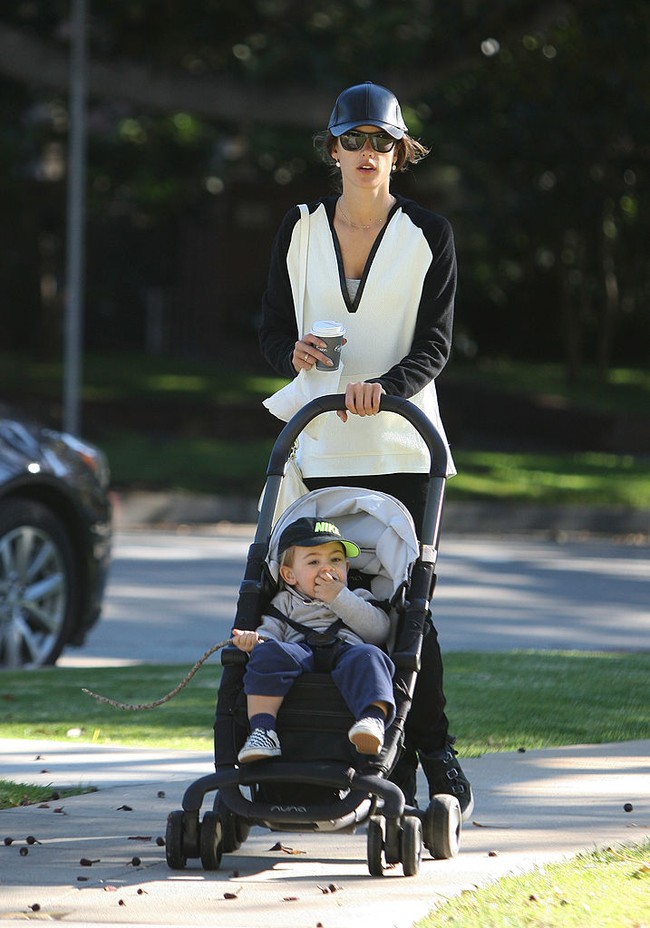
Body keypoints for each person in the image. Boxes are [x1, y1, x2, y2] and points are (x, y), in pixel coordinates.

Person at [258, 80, 473, 819]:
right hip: (317, 444)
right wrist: (295, 351)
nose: (366, 153)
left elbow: (437, 345)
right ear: (333, 150)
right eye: (352, 140)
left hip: (402, 442)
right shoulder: (299, 229)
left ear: (400, 153)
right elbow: (270, 330)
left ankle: (429, 752)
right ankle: (306, 747)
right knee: (307, 595)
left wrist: (385, 386)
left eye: (380, 141)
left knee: (408, 602)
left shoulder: (429, 236)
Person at [233, 516, 395, 763]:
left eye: (336, 560)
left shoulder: (357, 596)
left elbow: (378, 632)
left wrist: (339, 597)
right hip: (298, 652)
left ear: (347, 569)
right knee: (268, 653)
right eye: (314, 561)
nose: (327, 568)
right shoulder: (283, 603)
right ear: (289, 575)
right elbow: (270, 635)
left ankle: (372, 719)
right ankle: (263, 730)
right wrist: (254, 643)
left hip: (347, 651)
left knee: (371, 656)